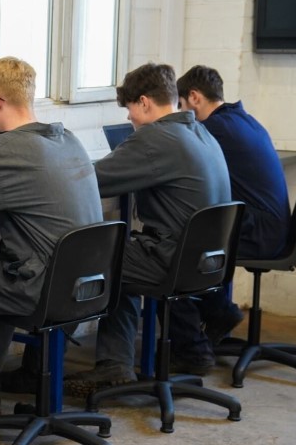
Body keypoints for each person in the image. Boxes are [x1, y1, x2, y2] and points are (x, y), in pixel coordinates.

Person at [65, 63, 231, 397]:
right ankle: (115, 362)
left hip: (172, 259)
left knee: (88, 257)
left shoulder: (156, 138)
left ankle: (47, 366)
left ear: (144, 102)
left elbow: (87, 180)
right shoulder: (201, 131)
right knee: (123, 256)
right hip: (207, 263)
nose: (130, 120)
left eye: (129, 110)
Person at [0, 57, 103, 416]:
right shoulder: (66, 138)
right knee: (8, 259)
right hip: (90, 287)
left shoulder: (8, 150)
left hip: (46, 293)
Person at [177, 64, 292, 343]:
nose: (180, 113)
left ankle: (192, 344)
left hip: (260, 233)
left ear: (194, 97)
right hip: (272, 228)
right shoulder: (241, 119)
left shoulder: (215, 128)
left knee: (176, 255)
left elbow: (180, 158)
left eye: (180, 105)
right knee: (195, 239)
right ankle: (218, 312)